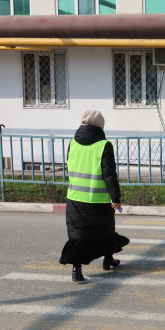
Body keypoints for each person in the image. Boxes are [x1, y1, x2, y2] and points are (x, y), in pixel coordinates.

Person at [60, 110, 129, 283]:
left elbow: (70, 167)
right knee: (105, 231)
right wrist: (116, 197)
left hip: (75, 198)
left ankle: (77, 270)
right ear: (100, 126)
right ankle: (108, 260)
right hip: (99, 200)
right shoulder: (104, 145)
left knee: (77, 235)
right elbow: (109, 175)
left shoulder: (72, 143)